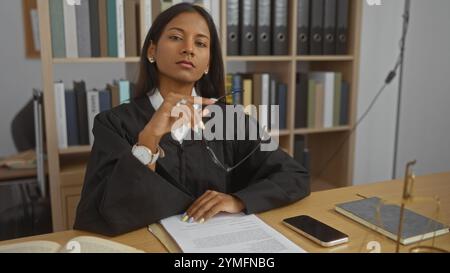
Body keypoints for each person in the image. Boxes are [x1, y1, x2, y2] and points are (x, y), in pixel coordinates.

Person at [74, 3, 310, 236]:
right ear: (152, 51)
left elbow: (294, 176)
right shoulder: (114, 124)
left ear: (207, 63)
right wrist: (148, 141)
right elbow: (98, 214)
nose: (189, 49)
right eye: (176, 37)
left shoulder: (230, 120)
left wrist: (238, 200)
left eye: (200, 43)